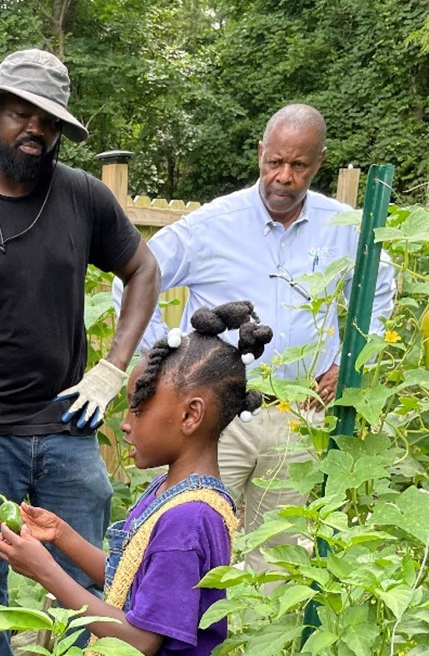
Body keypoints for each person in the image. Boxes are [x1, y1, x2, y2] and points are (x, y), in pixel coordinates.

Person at [0, 49, 160, 655]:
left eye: (49, 121)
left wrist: (111, 367)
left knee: (89, 578)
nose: (35, 130)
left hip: (69, 429)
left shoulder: (84, 199)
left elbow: (143, 269)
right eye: (21, 113)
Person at [113, 103, 395, 573]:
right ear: (261, 153)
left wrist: (349, 360)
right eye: (274, 162)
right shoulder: (212, 226)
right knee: (186, 542)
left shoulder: (342, 226)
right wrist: (162, 353)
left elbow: (379, 285)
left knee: (280, 556)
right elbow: (132, 278)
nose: (283, 176)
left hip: (298, 418)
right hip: (214, 419)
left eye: (298, 165)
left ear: (319, 161)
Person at [0, 302, 274, 655]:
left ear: (191, 415)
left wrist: (46, 571)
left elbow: (142, 641)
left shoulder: (187, 520)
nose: (125, 422)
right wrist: (61, 535)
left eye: (138, 409)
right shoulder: (170, 493)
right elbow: (130, 579)